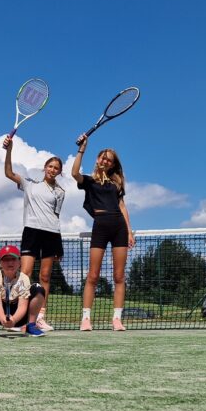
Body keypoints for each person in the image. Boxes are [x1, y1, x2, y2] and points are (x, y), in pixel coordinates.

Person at [72, 135, 135, 331]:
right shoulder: (89, 181)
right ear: (98, 159)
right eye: (103, 157)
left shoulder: (117, 183)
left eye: (109, 159)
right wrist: (82, 149)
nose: (105, 161)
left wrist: (129, 232)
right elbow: (74, 173)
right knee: (93, 275)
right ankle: (86, 319)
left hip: (118, 227)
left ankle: (117, 319)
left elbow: (122, 206)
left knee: (119, 276)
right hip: (100, 225)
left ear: (112, 164)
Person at [3, 135, 65, 331]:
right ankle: (19, 317)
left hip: (51, 234)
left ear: (59, 172)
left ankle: (39, 317)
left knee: (45, 276)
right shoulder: (30, 184)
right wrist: (9, 150)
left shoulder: (60, 192)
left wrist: (59, 245)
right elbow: (9, 173)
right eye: (50, 166)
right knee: (26, 274)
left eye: (56, 168)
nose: (53, 170)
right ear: (45, 168)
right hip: (31, 232)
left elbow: (56, 217)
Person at [0, 245, 46, 337]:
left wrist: (13, 320)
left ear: (19, 262)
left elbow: (23, 305)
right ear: (0, 263)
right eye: (6, 260)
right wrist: (3, 319)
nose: (10, 262)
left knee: (38, 289)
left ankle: (31, 326)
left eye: (13, 259)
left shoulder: (24, 278)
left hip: (20, 317)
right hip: (0, 315)